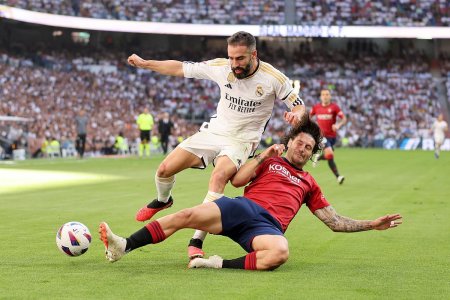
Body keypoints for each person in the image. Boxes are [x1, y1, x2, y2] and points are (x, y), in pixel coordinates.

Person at [98, 118, 402, 271]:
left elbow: (334, 221)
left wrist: (372, 224)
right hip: (241, 207)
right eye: (300, 142)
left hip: (265, 228)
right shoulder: (269, 160)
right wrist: (261, 155)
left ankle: (216, 264)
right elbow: (237, 180)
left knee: (280, 253)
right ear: (291, 140)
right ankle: (123, 245)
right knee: (185, 216)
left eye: (309, 148)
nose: (302, 148)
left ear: (311, 154)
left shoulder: (309, 183)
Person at [127, 31, 306, 260]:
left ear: (254, 54)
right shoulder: (221, 67)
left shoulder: (273, 77)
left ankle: (196, 240)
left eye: (240, 58)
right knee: (164, 170)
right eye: (231, 57)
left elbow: (299, 106)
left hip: (242, 140)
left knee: (219, 177)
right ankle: (164, 200)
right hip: (213, 132)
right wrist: (145, 64)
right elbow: (180, 68)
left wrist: (296, 115)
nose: (234, 64)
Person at [310, 89, 347, 184]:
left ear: (330, 96)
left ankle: (318, 158)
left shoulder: (334, 107)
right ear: (320, 96)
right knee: (330, 154)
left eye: (327, 94)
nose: (325, 96)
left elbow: (344, 118)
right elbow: (309, 117)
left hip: (332, 137)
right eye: (323, 94)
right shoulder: (316, 107)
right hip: (321, 136)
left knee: (328, 156)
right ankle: (338, 177)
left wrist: (338, 125)